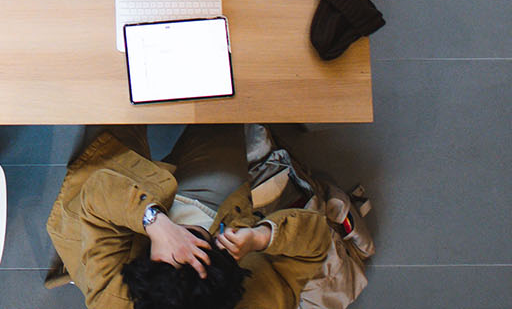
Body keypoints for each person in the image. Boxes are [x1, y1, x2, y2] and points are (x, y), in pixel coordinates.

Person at [48, 125, 331, 309]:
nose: (185, 237)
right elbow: (317, 241)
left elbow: (98, 194)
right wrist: (260, 237)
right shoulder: (264, 301)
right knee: (223, 113)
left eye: (174, 252)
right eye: (199, 248)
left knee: (111, 110)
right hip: (216, 208)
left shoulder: (115, 299)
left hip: (126, 214)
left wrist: (155, 223)